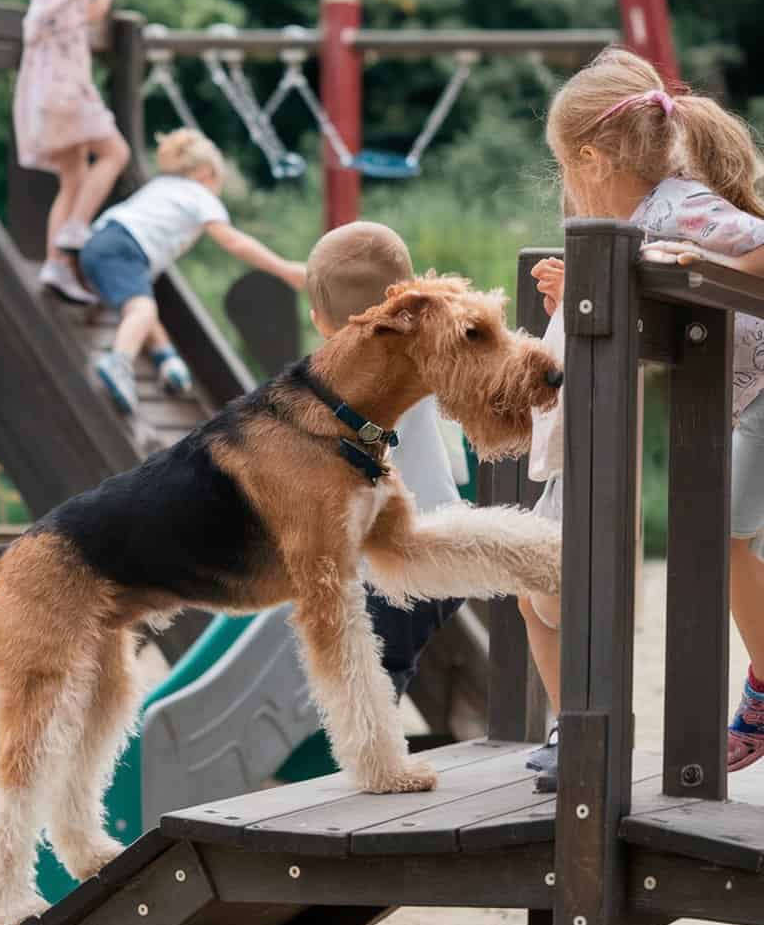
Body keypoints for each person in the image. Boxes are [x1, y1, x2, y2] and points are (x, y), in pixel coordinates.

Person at [521, 43, 764, 790]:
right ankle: (575, 723)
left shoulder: (679, 206)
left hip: (759, 391)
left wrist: (705, 276)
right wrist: (580, 306)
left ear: (591, 158)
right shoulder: (638, 226)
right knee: (714, 532)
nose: (566, 184)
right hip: (736, 395)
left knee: (716, 529)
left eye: (564, 168)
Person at [305, 221, 464, 698]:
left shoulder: (338, 383)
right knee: (383, 663)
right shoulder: (424, 351)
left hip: (395, 563)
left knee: (368, 676)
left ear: (318, 321)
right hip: (449, 543)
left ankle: (377, 761)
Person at [80, 128, 306, 413]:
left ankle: (167, 358)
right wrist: (284, 269)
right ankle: (118, 362)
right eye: (218, 183)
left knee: (139, 307)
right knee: (143, 309)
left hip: (97, 243)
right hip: (125, 248)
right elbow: (234, 242)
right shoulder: (201, 195)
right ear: (206, 174)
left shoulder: (160, 186)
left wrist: (168, 356)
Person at [14, 0, 132, 305]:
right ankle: (76, 229)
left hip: (59, 93)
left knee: (74, 175)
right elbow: (35, 25)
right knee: (116, 152)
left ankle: (56, 265)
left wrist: (88, 5)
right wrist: (88, 9)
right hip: (61, 93)